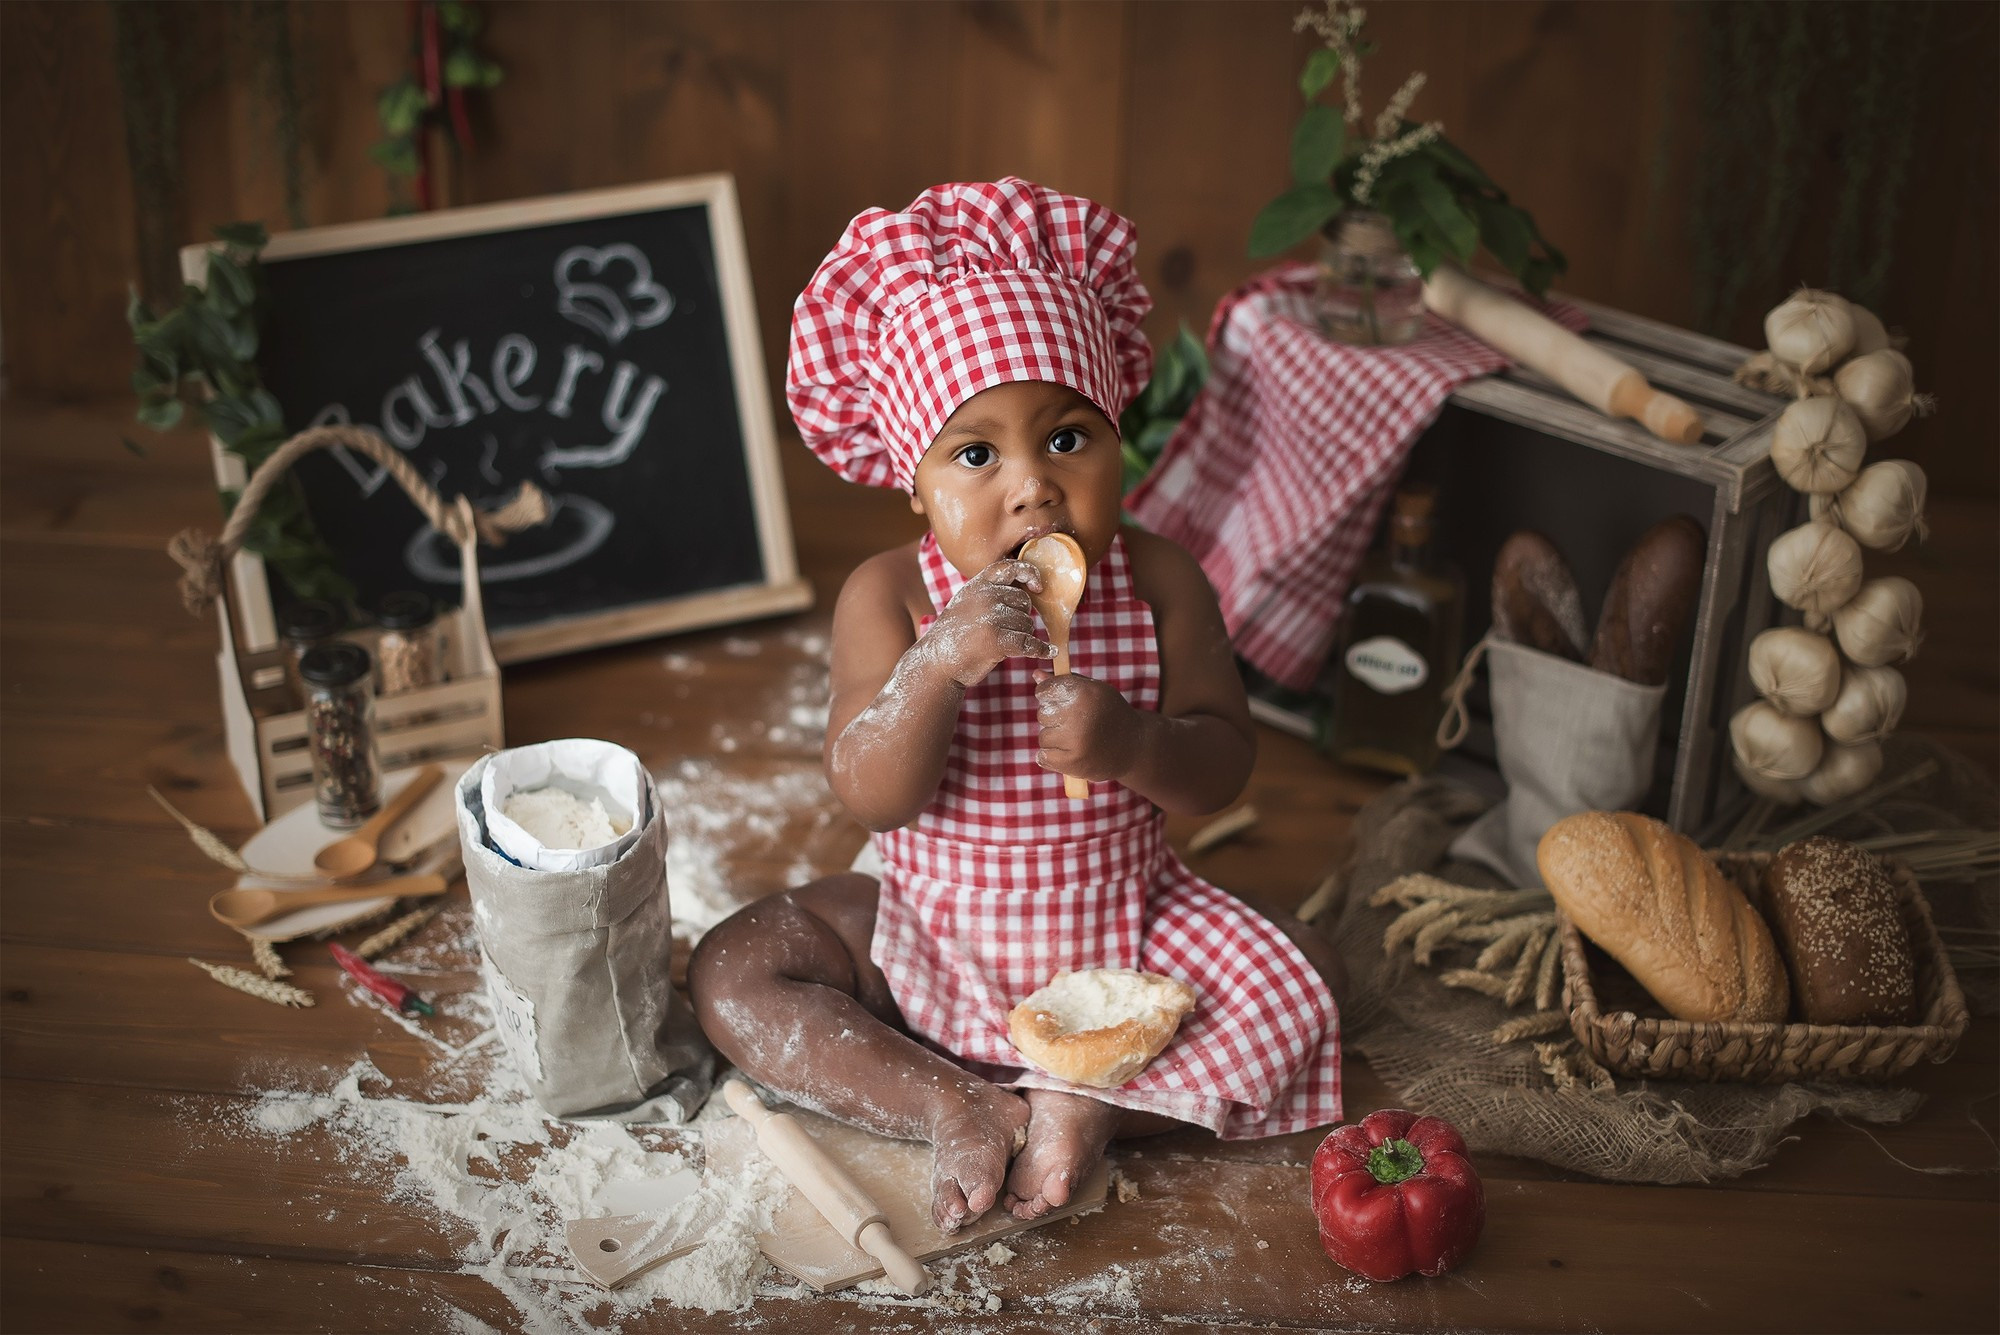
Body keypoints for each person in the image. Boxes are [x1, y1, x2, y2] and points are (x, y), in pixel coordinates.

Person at [689, 179, 1343, 1234]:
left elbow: (1223, 766)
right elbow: (872, 798)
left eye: (1069, 438)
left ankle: (1080, 1097)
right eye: (977, 454)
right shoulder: (890, 594)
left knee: (1308, 976)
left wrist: (1131, 741)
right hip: (926, 934)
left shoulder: (1163, 580)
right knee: (734, 968)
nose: (1033, 487)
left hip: (1124, 947)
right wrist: (935, 667)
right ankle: (953, 1099)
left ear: (1117, 437)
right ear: (915, 483)